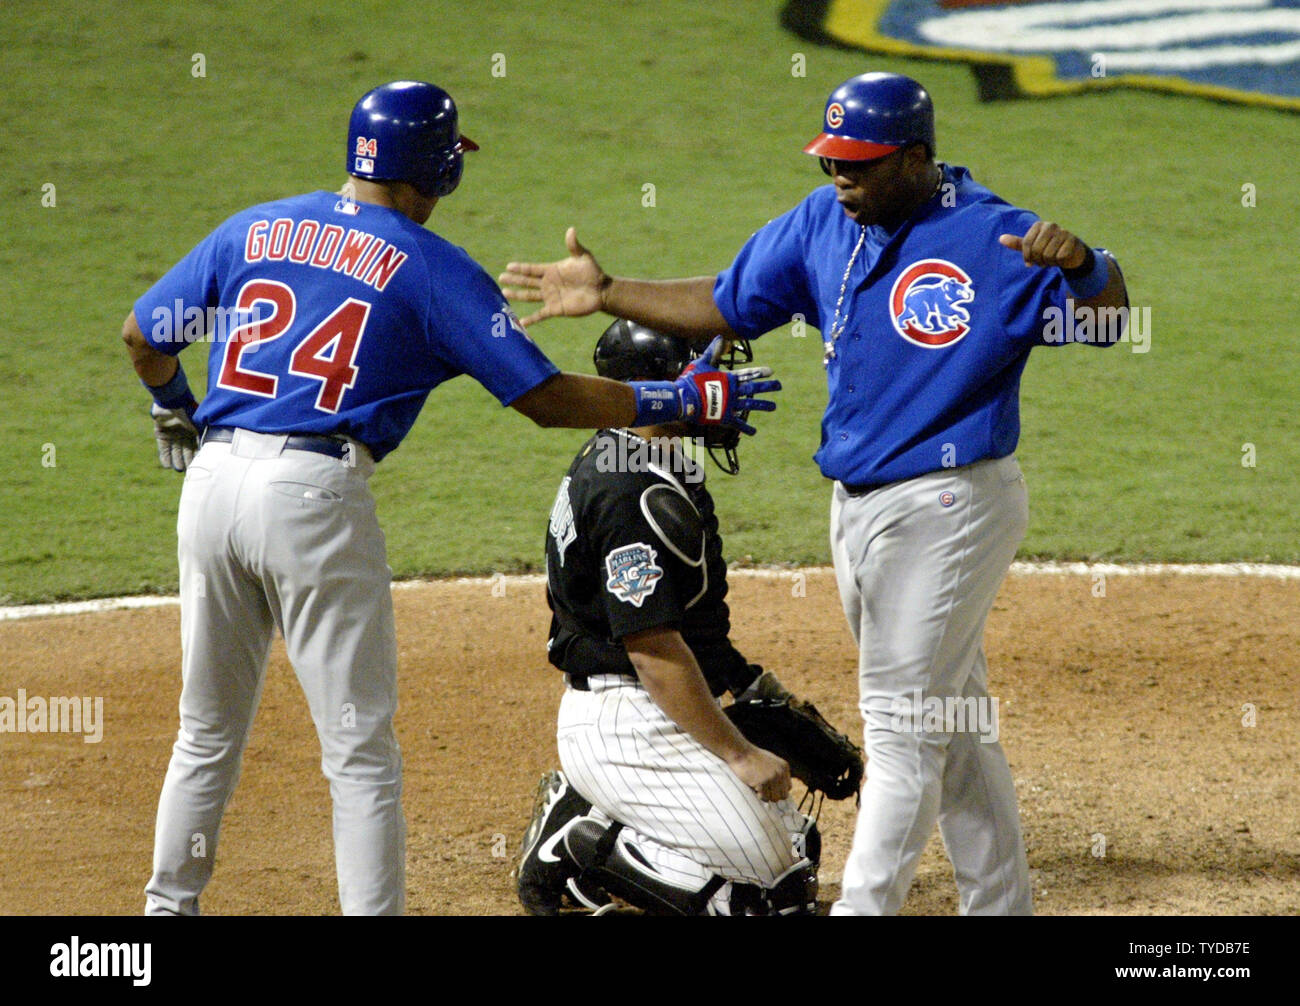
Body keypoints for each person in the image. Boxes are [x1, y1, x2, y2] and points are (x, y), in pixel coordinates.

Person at [123, 80, 780, 916]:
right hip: (311, 496)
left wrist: (177, 405)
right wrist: (678, 402)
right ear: (434, 170)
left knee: (206, 733)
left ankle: (164, 912)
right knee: (358, 752)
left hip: (212, 484)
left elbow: (142, 335)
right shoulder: (431, 268)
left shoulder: (251, 226)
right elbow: (541, 396)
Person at [499, 71, 1130, 916]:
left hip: (951, 505)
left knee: (903, 735)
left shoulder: (996, 239)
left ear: (915, 157)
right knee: (957, 719)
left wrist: (1089, 268)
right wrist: (609, 293)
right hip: (860, 508)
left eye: (860, 165)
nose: (841, 177)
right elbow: (725, 300)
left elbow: (1111, 325)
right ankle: (1000, 905)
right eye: (832, 159)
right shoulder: (824, 219)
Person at [514, 320, 820, 916]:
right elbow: (652, 650)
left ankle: (596, 810)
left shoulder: (647, 457)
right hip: (624, 719)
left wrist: (752, 689)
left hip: (655, 705)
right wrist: (739, 753)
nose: (722, 385)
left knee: (798, 843)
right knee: (770, 894)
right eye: (702, 370)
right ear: (654, 386)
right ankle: (578, 842)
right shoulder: (628, 490)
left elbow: (697, 624)